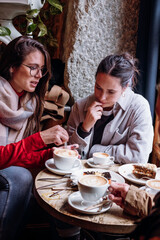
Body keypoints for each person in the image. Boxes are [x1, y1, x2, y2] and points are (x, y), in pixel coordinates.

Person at [0, 36, 73, 240]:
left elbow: (16, 157)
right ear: (13, 67)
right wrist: (40, 139)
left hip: (7, 169)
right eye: (33, 67)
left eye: (41, 69)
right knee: (22, 177)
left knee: (51, 177)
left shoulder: (28, 102)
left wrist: (53, 155)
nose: (39, 75)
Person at [67, 53, 153, 163]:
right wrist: (84, 129)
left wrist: (94, 150)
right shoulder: (80, 107)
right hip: (83, 177)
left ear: (125, 87)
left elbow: (139, 157)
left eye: (111, 92)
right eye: (98, 87)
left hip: (121, 178)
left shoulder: (139, 107)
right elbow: (68, 155)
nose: (102, 97)